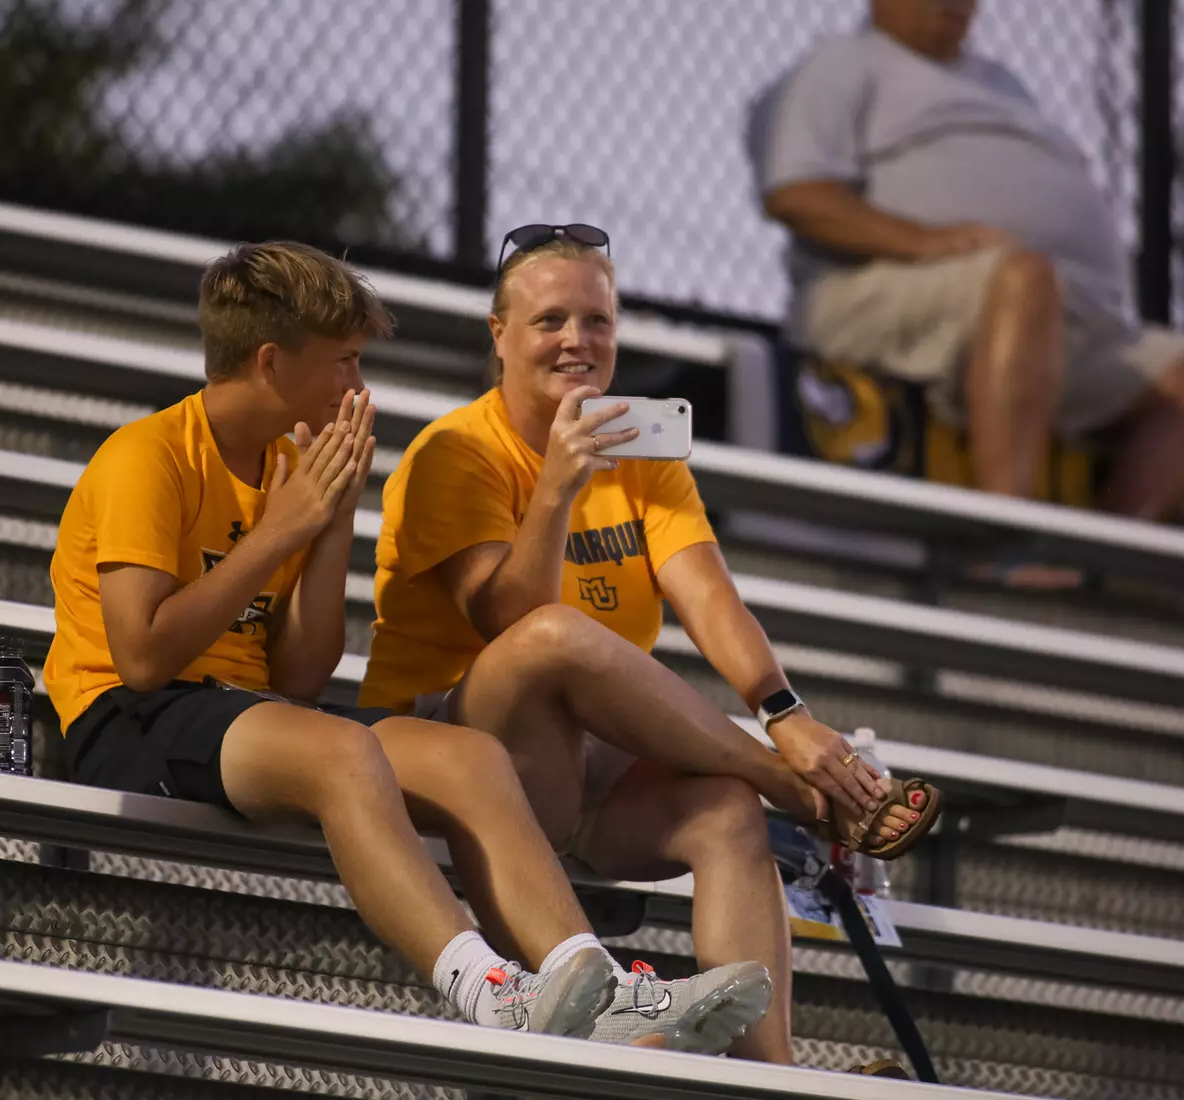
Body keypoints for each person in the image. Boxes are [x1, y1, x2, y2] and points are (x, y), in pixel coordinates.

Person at [42, 240, 769, 1044]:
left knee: (471, 759)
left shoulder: (293, 462)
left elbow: (302, 672)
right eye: (345, 362)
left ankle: (589, 982)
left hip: (247, 712)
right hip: (134, 716)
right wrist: (275, 535)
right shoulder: (147, 456)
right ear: (273, 364)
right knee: (345, 754)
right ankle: (486, 987)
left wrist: (327, 524)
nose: (358, 385)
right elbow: (141, 659)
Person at [360, 223, 943, 1066]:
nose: (578, 341)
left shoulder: (638, 446)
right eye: (550, 320)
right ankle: (791, 786)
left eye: (598, 320)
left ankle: (771, 1078)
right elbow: (507, 623)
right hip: (464, 755)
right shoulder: (456, 451)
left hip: (591, 765)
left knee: (724, 813)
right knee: (556, 634)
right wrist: (557, 487)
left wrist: (785, 710)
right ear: (498, 335)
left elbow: (707, 592)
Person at [751, 0, 1184, 522]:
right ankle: (1009, 535)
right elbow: (797, 194)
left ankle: (1109, 547)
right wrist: (926, 242)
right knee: (1024, 280)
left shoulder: (1001, 84)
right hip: (882, 293)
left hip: (1055, 315)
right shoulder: (841, 64)